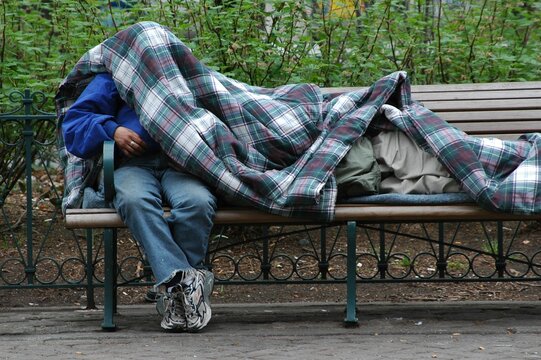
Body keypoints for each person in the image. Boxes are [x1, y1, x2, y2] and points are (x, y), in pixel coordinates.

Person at [61, 72, 218, 332]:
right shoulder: (111, 79)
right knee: (134, 200)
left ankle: (177, 294)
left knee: (198, 201)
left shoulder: (182, 74)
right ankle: (185, 288)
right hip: (131, 166)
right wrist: (113, 130)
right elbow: (76, 123)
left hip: (181, 164)